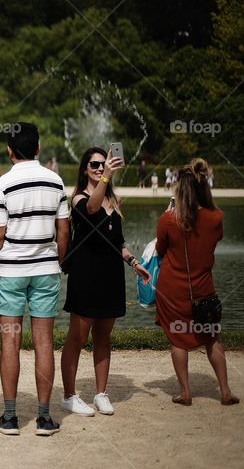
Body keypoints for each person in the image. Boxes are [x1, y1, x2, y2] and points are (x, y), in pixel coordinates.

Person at [60, 148, 151, 417]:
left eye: (104, 164)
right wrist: (107, 178)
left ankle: (101, 393)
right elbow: (92, 208)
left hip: (111, 274)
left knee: (104, 336)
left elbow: (118, 242)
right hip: (86, 274)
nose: (100, 167)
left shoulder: (114, 199)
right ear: (85, 168)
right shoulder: (78, 197)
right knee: (77, 337)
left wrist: (135, 263)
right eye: (95, 164)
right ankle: (68, 395)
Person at [0, 122, 69, 436]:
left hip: (10, 271)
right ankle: (44, 417)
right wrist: (58, 262)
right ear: (38, 148)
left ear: (10, 151)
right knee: (44, 344)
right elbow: (63, 232)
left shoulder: (4, 183)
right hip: (46, 270)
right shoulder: (56, 181)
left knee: (10, 342)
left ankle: (10, 417)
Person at [155, 159, 238, 406]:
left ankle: (185, 392)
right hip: (204, 288)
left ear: (180, 190)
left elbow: (160, 249)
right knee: (212, 337)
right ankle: (224, 390)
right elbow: (216, 239)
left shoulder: (169, 220)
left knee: (178, 340)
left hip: (173, 289)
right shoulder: (216, 217)